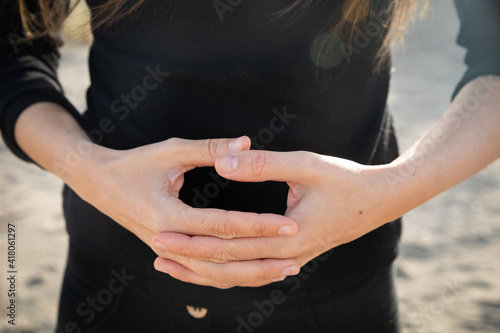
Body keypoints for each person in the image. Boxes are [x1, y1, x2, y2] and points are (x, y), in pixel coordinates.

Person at [1, 0, 499, 332]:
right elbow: (13, 50)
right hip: (112, 286)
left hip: (338, 291)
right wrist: (91, 171)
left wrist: (389, 190)